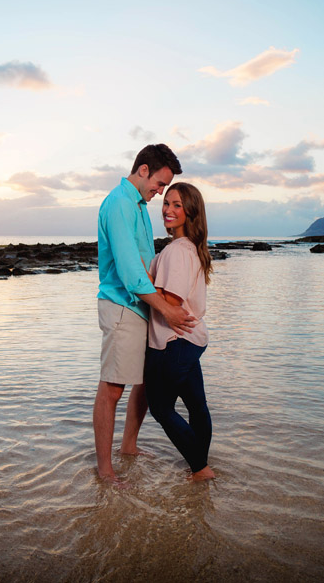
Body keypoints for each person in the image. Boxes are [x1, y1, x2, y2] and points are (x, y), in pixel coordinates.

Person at [94, 144, 195, 485]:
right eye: (159, 184)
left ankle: (129, 446)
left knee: (145, 383)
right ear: (143, 170)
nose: (160, 192)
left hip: (140, 308)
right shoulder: (120, 204)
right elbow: (129, 272)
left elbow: (145, 264)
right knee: (112, 388)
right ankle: (105, 471)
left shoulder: (136, 205)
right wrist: (167, 310)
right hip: (122, 306)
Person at [144, 182, 215, 481]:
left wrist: (144, 282)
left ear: (190, 212)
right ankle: (200, 465)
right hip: (192, 339)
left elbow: (170, 302)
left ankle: (200, 468)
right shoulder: (192, 249)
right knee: (197, 407)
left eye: (177, 205)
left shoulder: (175, 251)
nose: (168, 210)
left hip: (173, 341)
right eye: (166, 203)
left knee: (161, 408)